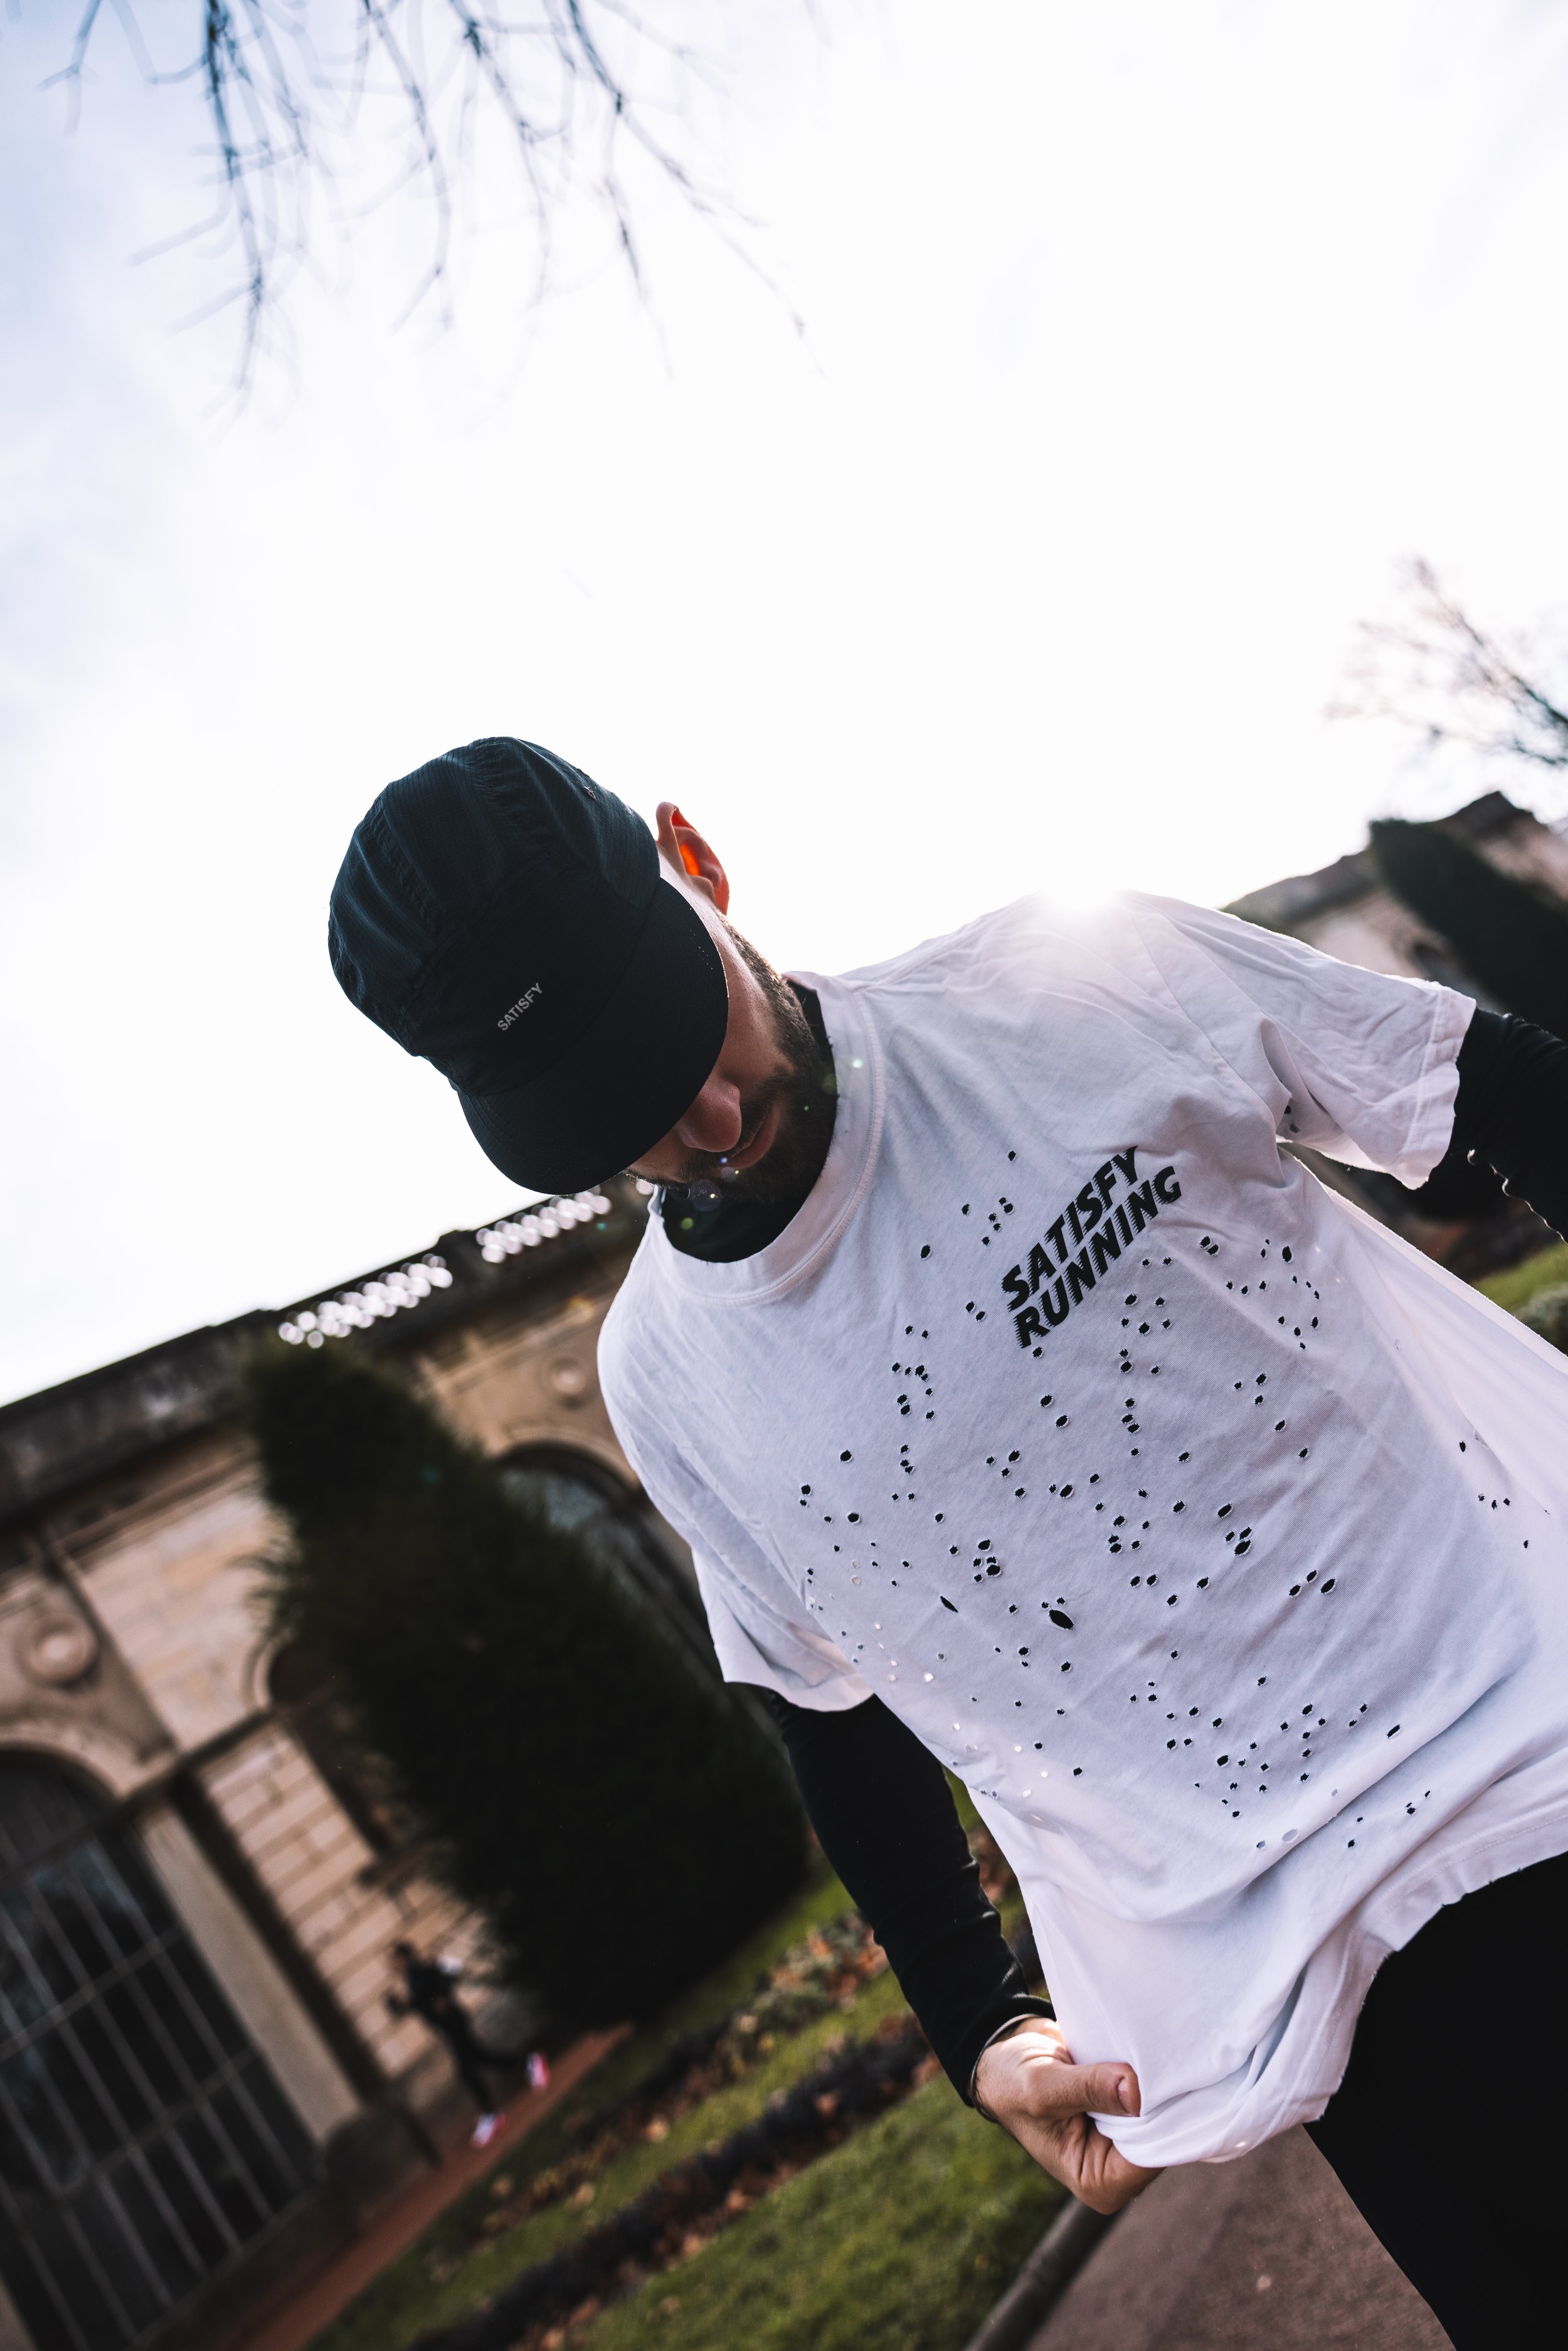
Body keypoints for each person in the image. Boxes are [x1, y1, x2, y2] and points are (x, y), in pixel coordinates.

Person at [331, 738, 1568, 2349]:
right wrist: (974, 2018)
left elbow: (1505, 1088)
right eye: (616, 1113)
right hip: (1325, 1998)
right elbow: (826, 1710)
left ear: (694, 859)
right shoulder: (669, 1376)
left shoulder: (1069, 978)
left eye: (680, 1025)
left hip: (1536, 1733)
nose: (710, 1116)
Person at [386, 1941, 510, 2146]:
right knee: (479, 2059)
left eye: (394, 1959)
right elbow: (427, 1998)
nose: (392, 1964)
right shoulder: (412, 1976)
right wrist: (408, 2004)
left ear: (403, 1957)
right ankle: (525, 2066)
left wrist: (442, 1997)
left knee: (467, 2070)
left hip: (452, 2022)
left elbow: (451, 1972)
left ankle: (491, 2114)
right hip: (449, 2025)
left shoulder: (418, 1969)